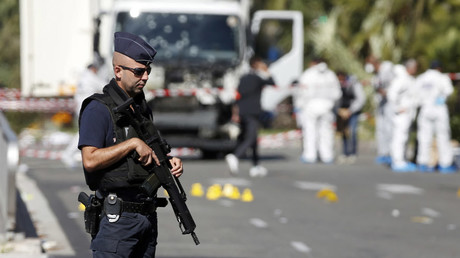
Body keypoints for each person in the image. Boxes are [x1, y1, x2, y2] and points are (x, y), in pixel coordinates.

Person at [78, 32, 184, 257]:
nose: (145, 77)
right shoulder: (98, 109)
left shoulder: (141, 108)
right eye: (138, 71)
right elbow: (89, 159)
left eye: (148, 71)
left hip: (146, 216)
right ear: (118, 71)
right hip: (117, 222)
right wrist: (131, 144)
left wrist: (169, 161)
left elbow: (151, 150)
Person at [225, 56, 275, 177]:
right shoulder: (257, 78)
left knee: (252, 139)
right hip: (253, 112)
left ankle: (256, 165)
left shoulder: (243, 78)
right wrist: (266, 71)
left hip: (243, 112)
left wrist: (235, 113)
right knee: (251, 137)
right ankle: (235, 156)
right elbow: (272, 82)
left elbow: (237, 96)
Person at [296, 58, 342, 164]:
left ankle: (310, 155)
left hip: (310, 107)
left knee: (310, 132)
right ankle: (327, 155)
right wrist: (332, 105)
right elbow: (337, 94)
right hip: (327, 108)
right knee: (326, 133)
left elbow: (301, 92)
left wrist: (300, 106)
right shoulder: (330, 75)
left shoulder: (308, 74)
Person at [415, 61, 457, 173]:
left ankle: (423, 163)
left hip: (425, 109)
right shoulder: (442, 77)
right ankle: (445, 164)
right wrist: (440, 99)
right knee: (442, 137)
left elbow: (416, 94)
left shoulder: (421, 78)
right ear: (439, 68)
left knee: (424, 137)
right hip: (439, 109)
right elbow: (449, 91)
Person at [61, 62, 105, 168]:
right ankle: (68, 153)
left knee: (88, 131)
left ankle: (76, 153)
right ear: (93, 69)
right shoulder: (90, 77)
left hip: (82, 107)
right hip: (87, 108)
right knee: (84, 132)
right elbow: (104, 86)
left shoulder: (83, 77)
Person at [387, 59, 418, 172]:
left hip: (407, 114)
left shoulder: (408, 79)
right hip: (401, 114)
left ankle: (402, 160)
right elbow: (391, 94)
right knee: (399, 137)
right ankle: (397, 161)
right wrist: (398, 108)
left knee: (404, 137)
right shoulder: (401, 79)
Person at [367, 56, 395, 165]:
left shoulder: (388, 70)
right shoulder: (377, 74)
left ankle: (390, 153)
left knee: (389, 128)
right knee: (381, 128)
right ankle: (383, 153)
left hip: (390, 103)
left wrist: (385, 92)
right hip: (382, 103)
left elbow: (392, 86)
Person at [336, 72, 366, 164]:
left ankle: (352, 153)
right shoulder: (338, 85)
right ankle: (345, 152)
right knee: (344, 132)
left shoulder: (354, 83)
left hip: (352, 112)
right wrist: (338, 110)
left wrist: (350, 110)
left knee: (352, 131)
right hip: (342, 112)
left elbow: (361, 99)